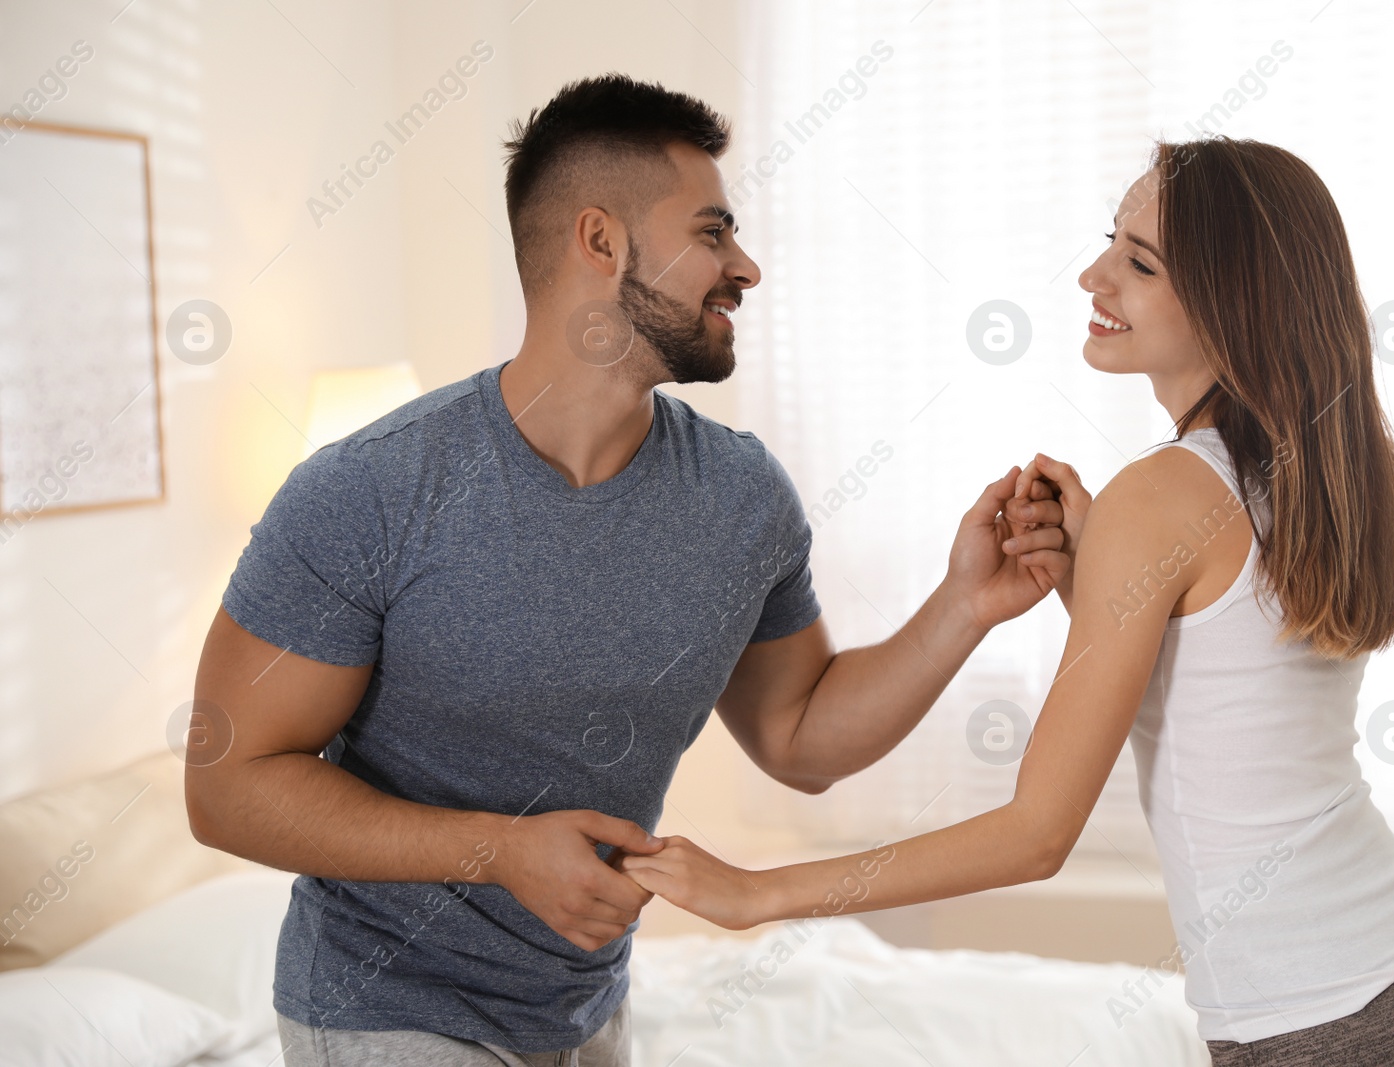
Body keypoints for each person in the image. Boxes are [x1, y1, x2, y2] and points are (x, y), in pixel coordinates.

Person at [182, 74, 1072, 1066]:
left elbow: (801, 735)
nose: (747, 266)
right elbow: (226, 787)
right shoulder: (367, 491)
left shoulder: (741, 496)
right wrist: (502, 850)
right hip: (387, 1010)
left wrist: (964, 605)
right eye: (714, 232)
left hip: (586, 1008)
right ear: (600, 243)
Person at [617, 137, 1394, 1067]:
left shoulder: (1161, 494)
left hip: (1327, 1021)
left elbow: (1035, 834)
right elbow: (1231, 697)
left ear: (1230, 298)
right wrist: (1096, 585)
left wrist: (758, 893)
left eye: (1139, 260)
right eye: (1109, 243)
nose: (1094, 275)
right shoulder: (1312, 472)